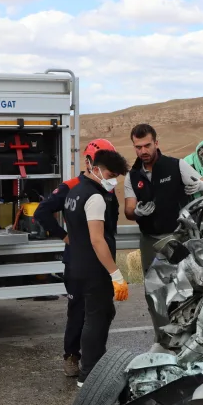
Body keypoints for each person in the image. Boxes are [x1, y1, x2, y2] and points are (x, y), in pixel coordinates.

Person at [34, 140, 114, 378]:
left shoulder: (105, 189)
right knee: (79, 311)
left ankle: (95, 356)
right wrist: (64, 236)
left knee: (102, 312)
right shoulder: (72, 186)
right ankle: (72, 356)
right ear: (89, 162)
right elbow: (42, 212)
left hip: (99, 262)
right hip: (78, 261)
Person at [60, 141, 131, 385]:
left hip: (77, 266)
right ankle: (89, 375)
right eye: (112, 176)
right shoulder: (95, 197)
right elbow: (98, 240)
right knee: (96, 319)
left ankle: (92, 366)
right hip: (94, 270)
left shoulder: (75, 191)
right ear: (98, 169)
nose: (114, 181)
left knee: (97, 314)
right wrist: (116, 274)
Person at [123, 123, 203, 274]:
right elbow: (128, 210)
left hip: (177, 236)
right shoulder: (132, 176)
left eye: (147, 145)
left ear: (156, 143)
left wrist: (200, 185)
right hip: (149, 240)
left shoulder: (177, 165)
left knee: (183, 283)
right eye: (138, 147)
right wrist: (137, 212)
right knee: (152, 285)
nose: (143, 151)